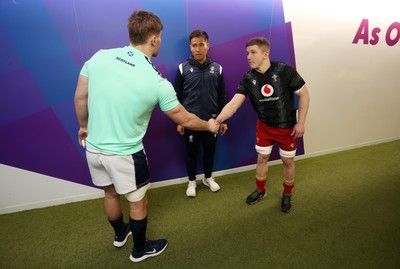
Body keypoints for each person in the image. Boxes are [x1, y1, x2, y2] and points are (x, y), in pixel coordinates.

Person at [74, 10, 219, 263]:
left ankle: (121, 234)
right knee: (138, 201)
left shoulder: (99, 57)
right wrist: (209, 126)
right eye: (160, 37)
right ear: (154, 38)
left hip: (93, 149)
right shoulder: (157, 81)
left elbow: (79, 97)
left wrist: (83, 127)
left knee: (109, 194)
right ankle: (139, 250)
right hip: (126, 154)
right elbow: (184, 118)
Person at [216, 37, 310, 213]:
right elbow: (234, 104)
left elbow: (304, 95)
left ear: (265, 53)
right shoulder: (248, 78)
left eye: (253, 52)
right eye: (247, 53)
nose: (248, 57)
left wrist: (301, 122)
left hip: (287, 127)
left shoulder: (284, 70)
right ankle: (261, 190)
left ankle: (287, 193)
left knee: (287, 160)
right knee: (262, 158)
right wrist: (218, 120)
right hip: (265, 127)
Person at [174, 30, 228, 197]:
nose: (197, 49)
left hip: (212, 122)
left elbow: (222, 96)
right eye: (194, 45)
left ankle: (208, 178)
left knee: (210, 152)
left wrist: (223, 119)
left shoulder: (217, 69)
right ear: (190, 47)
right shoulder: (183, 68)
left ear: (207, 46)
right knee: (192, 153)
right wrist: (180, 121)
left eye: (201, 45)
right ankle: (191, 181)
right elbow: (177, 97)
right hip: (190, 122)